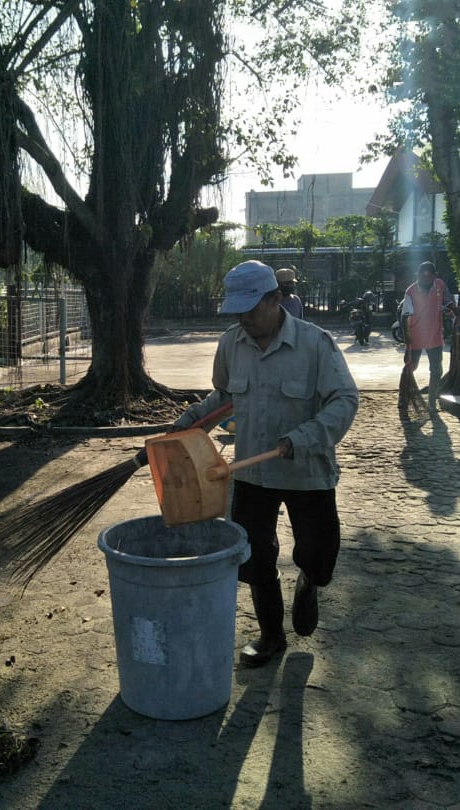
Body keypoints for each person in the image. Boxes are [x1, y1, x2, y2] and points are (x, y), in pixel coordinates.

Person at [172, 260, 358, 667]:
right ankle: (272, 635)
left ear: (276, 299)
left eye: (251, 310)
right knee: (254, 559)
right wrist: (189, 424)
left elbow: (345, 399)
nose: (243, 319)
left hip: (307, 471)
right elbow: (224, 398)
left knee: (320, 554)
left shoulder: (315, 343)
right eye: (237, 311)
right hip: (252, 472)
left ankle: (309, 583)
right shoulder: (230, 344)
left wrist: (305, 438)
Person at [400, 262, 455, 410]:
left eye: (428, 277)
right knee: (411, 366)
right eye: (422, 276)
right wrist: (407, 341)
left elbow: (447, 300)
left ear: (434, 276)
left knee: (437, 369)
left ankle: (431, 401)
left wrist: (455, 310)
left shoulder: (440, 286)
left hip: (434, 334)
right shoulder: (410, 292)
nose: (425, 279)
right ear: (417, 276)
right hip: (415, 335)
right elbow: (405, 316)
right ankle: (404, 397)